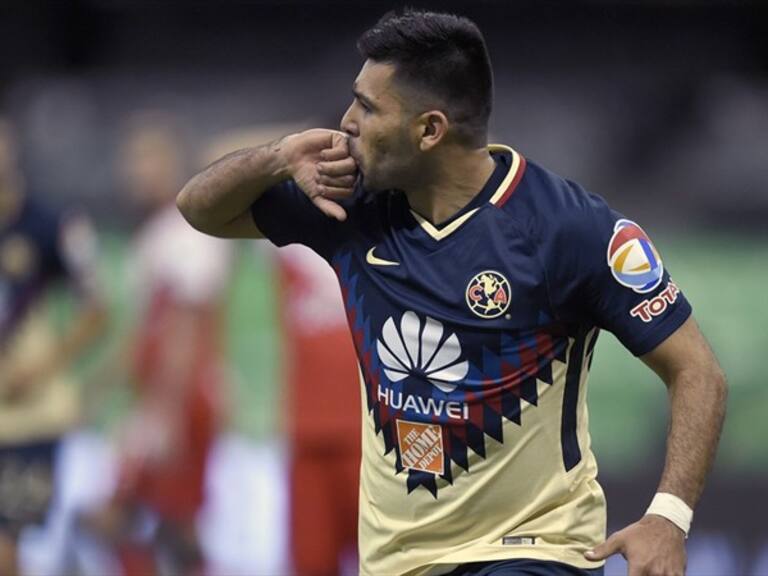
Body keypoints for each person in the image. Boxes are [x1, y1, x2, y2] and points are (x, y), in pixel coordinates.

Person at [176, 10, 727, 576]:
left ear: (430, 130)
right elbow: (200, 209)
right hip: (399, 561)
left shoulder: (568, 229)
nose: (347, 121)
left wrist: (668, 517)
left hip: (529, 549)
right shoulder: (353, 208)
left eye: (368, 106)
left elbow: (697, 371)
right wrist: (277, 157)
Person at [82, 115, 232, 576]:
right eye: (133, 160)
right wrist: (105, 385)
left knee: (154, 522)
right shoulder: (156, 234)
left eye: (149, 158)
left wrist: (166, 409)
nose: (137, 171)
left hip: (180, 400)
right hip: (161, 398)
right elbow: (145, 329)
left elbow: (186, 328)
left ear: (174, 163)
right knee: (152, 523)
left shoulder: (188, 231)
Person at [0, 117, 107, 576]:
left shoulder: (54, 223)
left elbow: (96, 309)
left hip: (31, 417)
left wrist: (41, 367)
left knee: (6, 544)